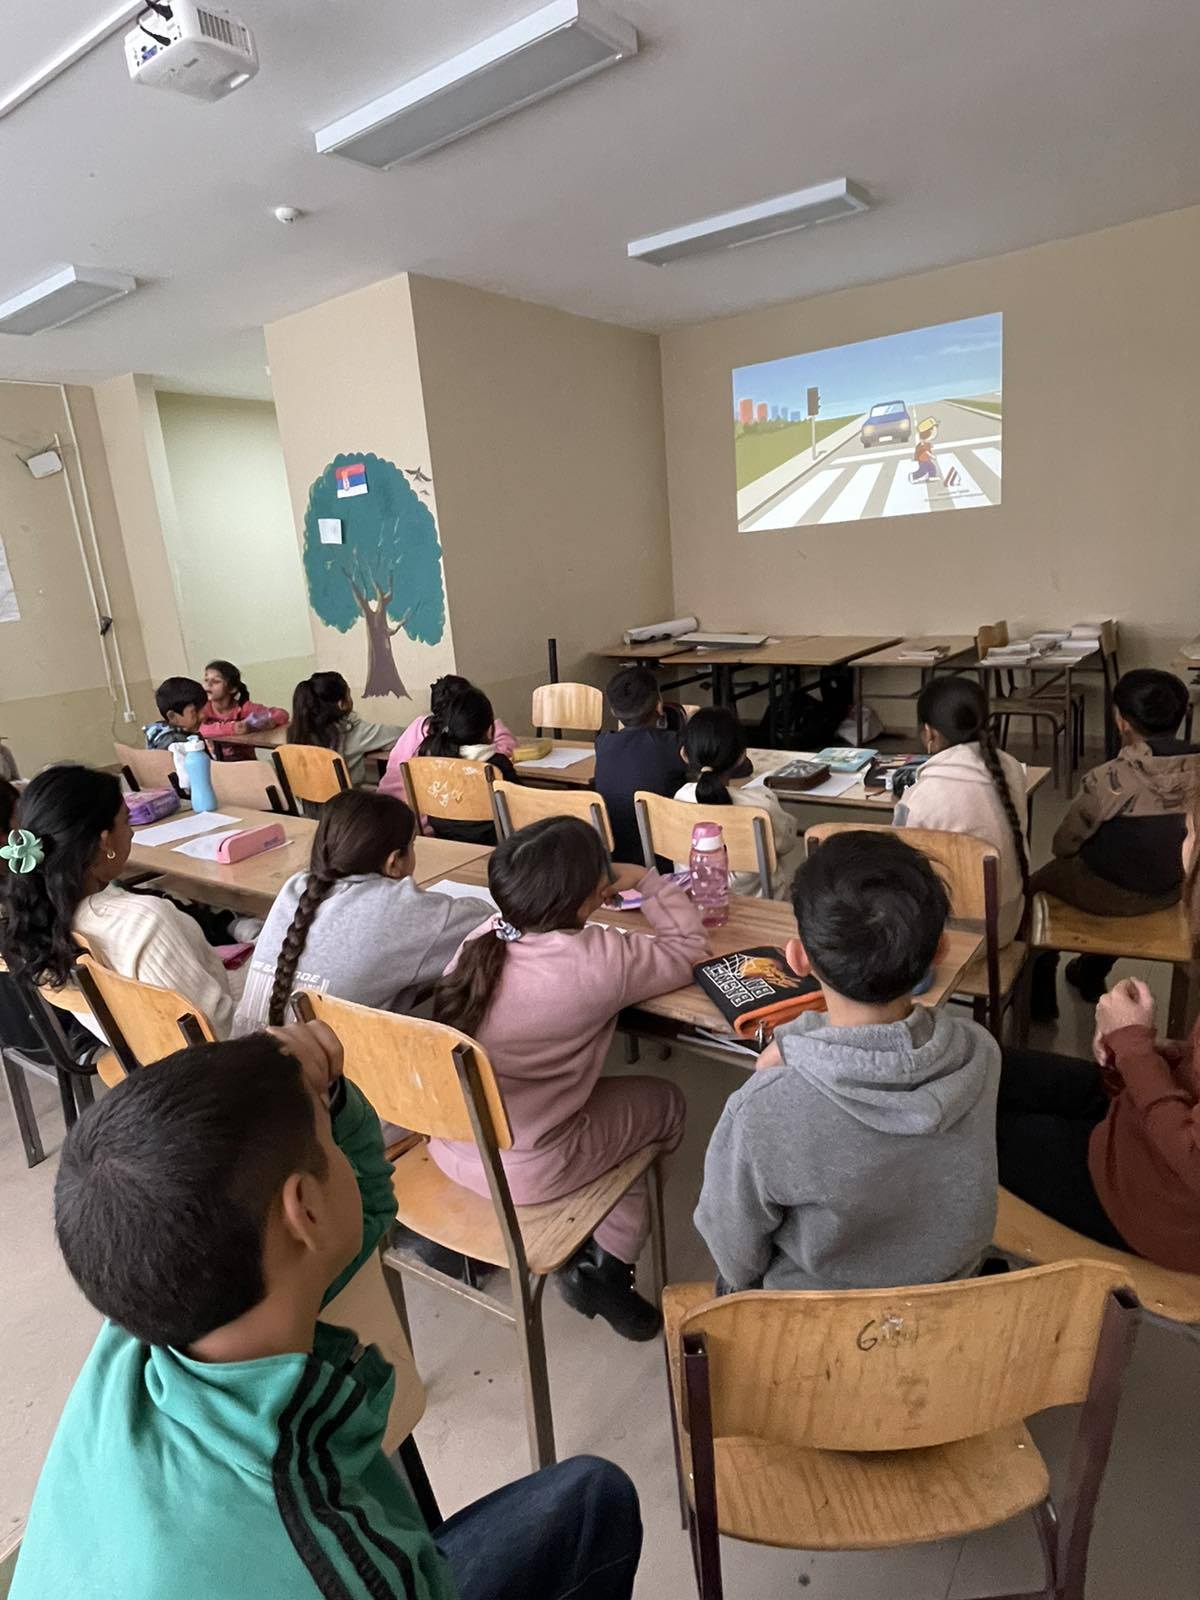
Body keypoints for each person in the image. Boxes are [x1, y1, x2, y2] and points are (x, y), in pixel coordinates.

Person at [8, 1020, 643, 1600]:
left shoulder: (154, 1303)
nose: (343, 1148)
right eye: (329, 1141)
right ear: (304, 1210)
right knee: (597, 1501)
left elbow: (356, 1209)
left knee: (585, 1499)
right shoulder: (339, 1568)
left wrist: (323, 1099)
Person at [432, 817, 707, 1339]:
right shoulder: (600, 957)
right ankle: (608, 1266)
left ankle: (493, 1243)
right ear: (592, 895)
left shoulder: (481, 939)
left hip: (452, 1147)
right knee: (664, 1104)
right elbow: (690, 949)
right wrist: (649, 882)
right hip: (527, 1169)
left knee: (601, 1112)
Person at [694, 830, 1000, 1292]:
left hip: (817, 1317)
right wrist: (793, 1043)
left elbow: (736, 1257)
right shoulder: (979, 1052)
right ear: (939, 952)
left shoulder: (759, 1112)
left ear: (797, 959)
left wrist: (791, 1049)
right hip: (951, 1296)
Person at [996, 796, 1200, 1271]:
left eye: (1190, 834)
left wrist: (1134, 1046)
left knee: (963, 1126)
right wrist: (1140, 1048)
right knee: (985, 1065)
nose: (1181, 848)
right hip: (1144, 1131)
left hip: (1156, 1206)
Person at [0, 765, 239, 1037]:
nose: (132, 832)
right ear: (104, 841)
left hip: (146, 1050)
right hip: (225, 1055)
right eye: (126, 820)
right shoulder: (143, 921)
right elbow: (218, 1029)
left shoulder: (40, 923)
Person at [235, 789, 494, 1034]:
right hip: (338, 1065)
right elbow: (487, 920)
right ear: (394, 862)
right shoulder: (400, 907)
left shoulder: (296, 886)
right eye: (413, 844)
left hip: (246, 1054)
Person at [1030, 668, 1200, 1016]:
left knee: (1032, 889)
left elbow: (1064, 844)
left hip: (1108, 891)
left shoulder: (1109, 779)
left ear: (1121, 720)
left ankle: (1040, 996)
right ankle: (1091, 972)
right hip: (1175, 887)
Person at [892, 675, 1029, 946]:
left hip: (957, 938)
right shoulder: (1011, 767)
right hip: (1008, 922)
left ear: (929, 733)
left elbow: (900, 866)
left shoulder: (922, 797)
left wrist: (901, 802)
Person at [674, 706, 802, 898]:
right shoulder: (761, 805)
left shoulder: (680, 799)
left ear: (684, 754)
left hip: (694, 903)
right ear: (742, 757)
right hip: (760, 907)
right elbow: (787, 842)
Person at [593, 666, 687, 866]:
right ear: (659, 705)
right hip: (665, 859)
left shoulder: (603, 743)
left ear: (613, 711)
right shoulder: (673, 745)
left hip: (617, 860)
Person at [381, 675, 517, 798]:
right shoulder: (485, 759)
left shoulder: (423, 730)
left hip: (389, 807)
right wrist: (494, 725)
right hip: (411, 814)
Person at [415, 686, 518, 845]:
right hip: (494, 849)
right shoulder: (496, 766)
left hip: (444, 847)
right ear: (490, 731)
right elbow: (520, 809)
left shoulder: (430, 765)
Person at [289, 670, 402, 786]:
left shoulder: (294, 732)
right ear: (341, 704)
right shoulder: (351, 730)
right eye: (349, 694)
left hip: (304, 797)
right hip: (346, 797)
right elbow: (404, 736)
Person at [200, 658, 288, 761]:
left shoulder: (243, 708)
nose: (208, 684)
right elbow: (199, 729)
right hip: (217, 764)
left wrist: (269, 721)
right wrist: (234, 728)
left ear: (232, 689)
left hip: (247, 762)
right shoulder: (204, 708)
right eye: (206, 680)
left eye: (216, 681)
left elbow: (282, 714)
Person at [144, 675, 206, 750]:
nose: (203, 715)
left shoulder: (187, 734)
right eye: (195, 711)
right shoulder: (173, 745)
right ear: (172, 716)